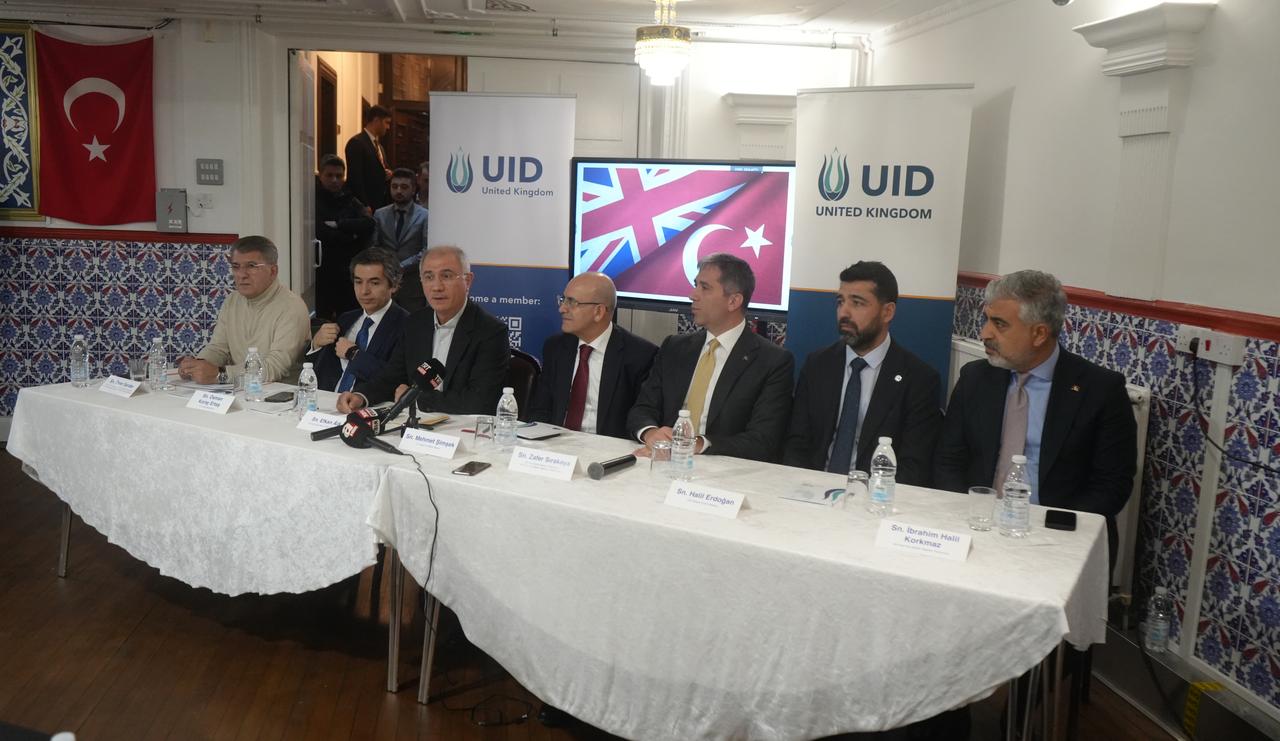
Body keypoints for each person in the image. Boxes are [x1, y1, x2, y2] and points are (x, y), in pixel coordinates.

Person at [935, 269, 1137, 562]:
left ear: (1039, 333)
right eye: (986, 319)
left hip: (1059, 539)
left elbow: (1112, 485)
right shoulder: (975, 379)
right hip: (977, 527)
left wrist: (1049, 528)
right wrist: (967, 515)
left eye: (1000, 324)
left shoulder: (1100, 390)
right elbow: (948, 460)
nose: (984, 333)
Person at [783, 261, 942, 485]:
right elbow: (796, 443)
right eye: (840, 302)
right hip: (812, 490)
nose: (844, 312)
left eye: (857, 303)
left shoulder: (919, 380)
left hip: (875, 499)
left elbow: (914, 466)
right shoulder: (818, 364)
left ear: (887, 312)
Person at [627, 252, 794, 462]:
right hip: (661, 462)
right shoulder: (674, 348)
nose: (692, 295)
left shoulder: (772, 361)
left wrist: (698, 443)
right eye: (695, 285)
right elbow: (642, 409)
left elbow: (763, 440)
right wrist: (650, 433)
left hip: (723, 475)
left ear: (733, 301)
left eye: (704, 288)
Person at [337, 245, 510, 415]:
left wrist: (416, 399)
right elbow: (391, 377)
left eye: (447, 276)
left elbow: (479, 402)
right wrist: (361, 396)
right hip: (415, 425)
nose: (437, 287)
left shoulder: (491, 332)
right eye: (428, 277)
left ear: (468, 280)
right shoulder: (415, 323)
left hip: (461, 430)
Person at [528, 272, 657, 438]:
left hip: (606, 450)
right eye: (563, 299)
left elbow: (639, 418)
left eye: (572, 302)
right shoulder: (556, 347)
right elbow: (541, 409)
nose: (562, 308)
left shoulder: (640, 355)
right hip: (556, 447)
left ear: (599, 311)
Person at [177, 235, 310, 385]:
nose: (241, 275)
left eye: (251, 266)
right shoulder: (233, 300)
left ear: (273, 271)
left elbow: (275, 367)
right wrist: (197, 365)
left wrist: (221, 375)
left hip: (278, 395)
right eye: (236, 266)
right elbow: (219, 348)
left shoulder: (291, 307)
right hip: (239, 388)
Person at [307, 247, 410, 393]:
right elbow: (316, 372)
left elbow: (396, 381)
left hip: (367, 407)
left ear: (393, 285)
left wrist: (354, 354)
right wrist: (316, 344)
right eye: (358, 282)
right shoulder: (346, 319)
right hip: (327, 403)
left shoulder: (407, 324)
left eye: (374, 283)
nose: (364, 291)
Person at [315, 154, 375, 321]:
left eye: (339, 176)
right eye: (329, 175)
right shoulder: (312, 199)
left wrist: (339, 224)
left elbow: (369, 224)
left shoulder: (350, 197)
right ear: (320, 175)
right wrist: (351, 235)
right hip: (322, 271)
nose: (335, 180)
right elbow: (321, 232)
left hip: (347, 271)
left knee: (349, 318)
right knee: (322, 320)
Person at [373, 168, 429, 312]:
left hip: (412, 284)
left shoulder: (425, 216)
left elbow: (426, 250)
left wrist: (401, 266)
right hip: (385, 282)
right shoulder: (380, 214)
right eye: (394, 186)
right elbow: (374, 246)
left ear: (413, 189)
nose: (398, 191)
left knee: (412, 327)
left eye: (404, 187)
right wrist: (387, 266)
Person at [344, 104, 393, 212]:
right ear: (376, 120)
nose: (388, 127)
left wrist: (386, 173)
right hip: (366, 205)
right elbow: (355, 178)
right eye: (387, 122)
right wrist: (364, 204)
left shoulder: (379, 147)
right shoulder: (357, 143)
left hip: (380, 204)